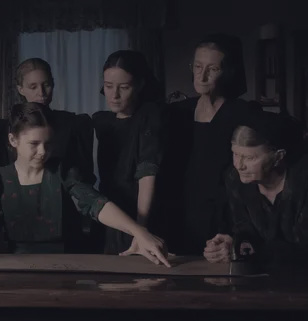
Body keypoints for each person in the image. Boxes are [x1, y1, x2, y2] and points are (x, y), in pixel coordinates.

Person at [0, 102, 169, 267]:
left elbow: (95, 204)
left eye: (48, 143)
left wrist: (140, 232)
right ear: (12, 140)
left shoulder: (62, 171)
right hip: (15, 267)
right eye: (34, 144)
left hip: (65, 265)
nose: (43, 151)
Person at [155, 33, 258, 255]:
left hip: (222, 220)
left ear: (228, 71)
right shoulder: (176, 113)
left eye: (212, 69)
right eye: (198, 66)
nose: (201, 76)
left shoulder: (243, 113)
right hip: (177, 216)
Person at [203, 111, 308, 266]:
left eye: (250, 158)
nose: (239, 165)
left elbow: (302, 249)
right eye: (236, 154)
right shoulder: (235, 179)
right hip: (263, 279)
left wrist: (250, 252)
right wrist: (233, 244)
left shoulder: (302, 181)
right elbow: (243, 228)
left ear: (279, 156)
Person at [92, 50, 164, 255]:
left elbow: (147, 173)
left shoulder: (150, 116)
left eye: (124, 87)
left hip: (142, 212)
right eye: (108, 86)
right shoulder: (101, 121)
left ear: (139, 85)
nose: (114, 95)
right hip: (108, 214)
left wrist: (140, 230)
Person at [0, 58, 94, 183]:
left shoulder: (73, 124)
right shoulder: (2, 129)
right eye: (33, 87)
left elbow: (85, 176)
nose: (41, 93)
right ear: (20, 89)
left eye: (46, 85)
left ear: (53, 84)